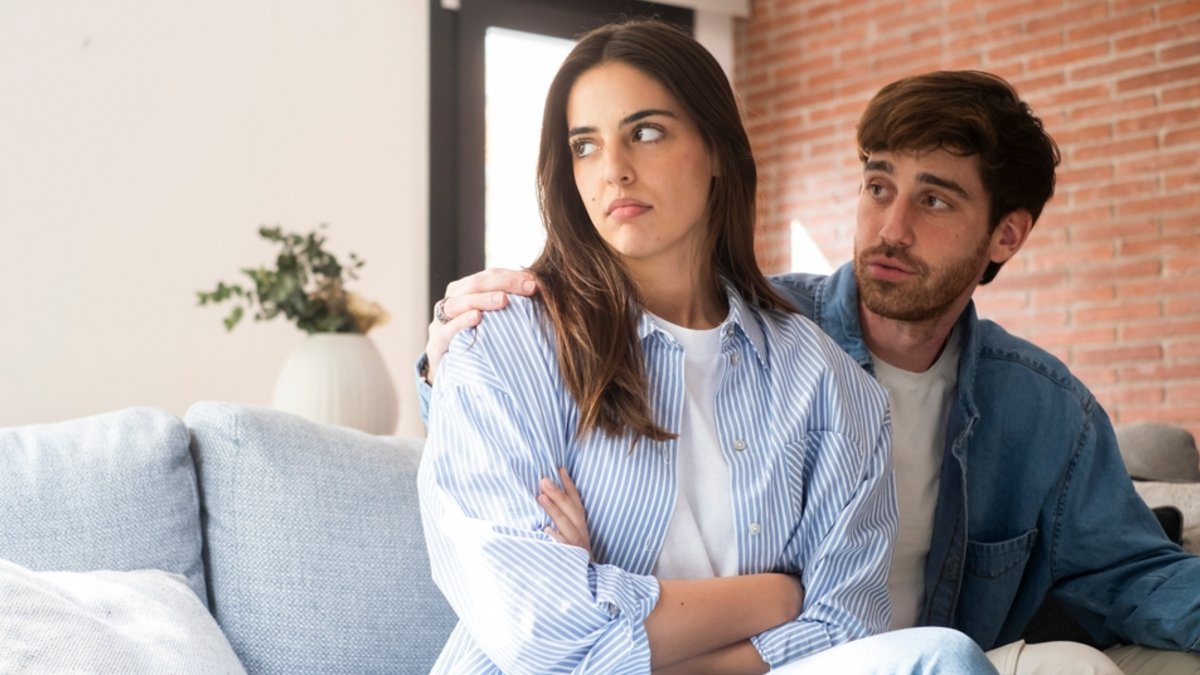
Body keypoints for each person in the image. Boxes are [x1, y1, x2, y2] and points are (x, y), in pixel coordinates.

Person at [420, 69, 1200, 674]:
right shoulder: (751, 330)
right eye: (878, 186)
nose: (890, 228)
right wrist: (450, 350)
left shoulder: (1043, 410)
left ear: (1006, 235)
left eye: (934, 201)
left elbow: (1135, 572)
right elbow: (499, 460)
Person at [418, 19, 997, 675]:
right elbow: (540, 631)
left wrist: (614, 600)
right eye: (585, 145)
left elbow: (844, 622)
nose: (614, 171)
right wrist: (771, 596)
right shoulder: (497, 340)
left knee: (942, 658)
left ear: (717, 150)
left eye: (646, 132)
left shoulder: (828, 384)